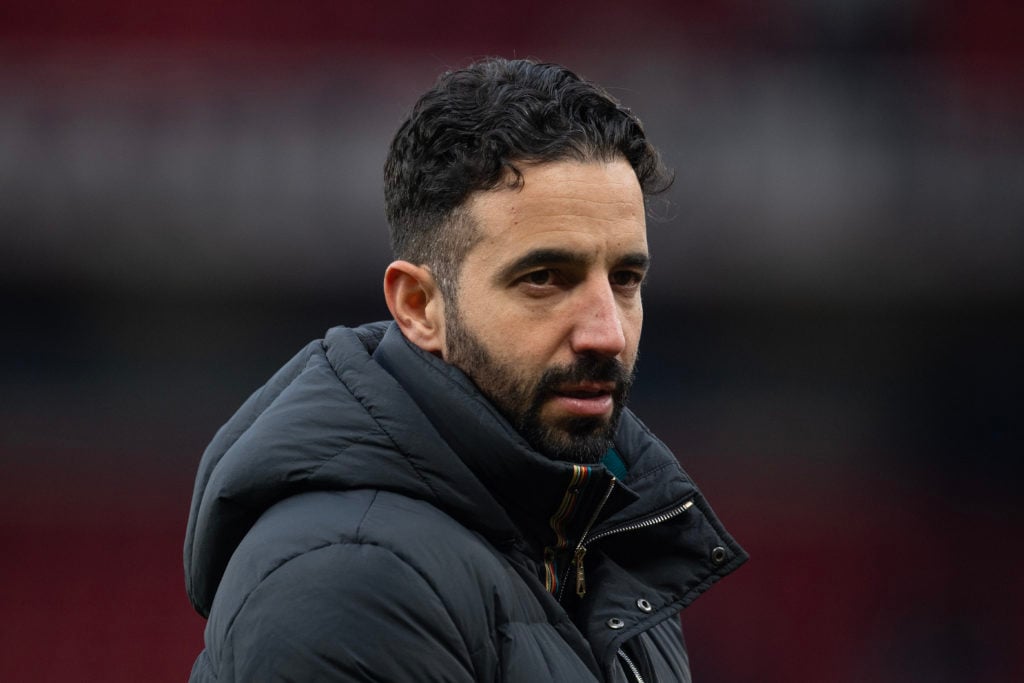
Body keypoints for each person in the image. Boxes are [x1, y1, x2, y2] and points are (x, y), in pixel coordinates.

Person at [184, 57, 746, 682]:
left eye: (625, 279)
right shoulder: (351, 578)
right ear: (419, 306)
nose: (607, 334)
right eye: (544, 279)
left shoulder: (603, 540)